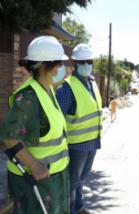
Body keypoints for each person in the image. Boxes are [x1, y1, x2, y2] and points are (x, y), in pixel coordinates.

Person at [0, 36, 70, 213]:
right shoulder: (28, 97)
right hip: (36, 180)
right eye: (60, 64)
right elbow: (9, 138)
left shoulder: (48, 89)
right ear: (46, 66)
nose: (63, 68)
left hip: (54, 176)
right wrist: (34, 164)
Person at [56, 43, 102, 214]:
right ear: (74, 64)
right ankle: (69, 210)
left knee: (81, 179)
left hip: (92, 142)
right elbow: (57, 117)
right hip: (76, 145)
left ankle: (79, 206)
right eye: (81, 62)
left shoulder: (91, 82)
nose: (86, 65)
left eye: (88, 61)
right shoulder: (67, 88)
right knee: (72, 181)